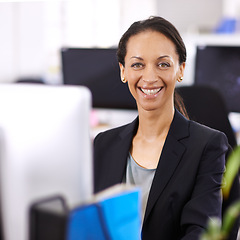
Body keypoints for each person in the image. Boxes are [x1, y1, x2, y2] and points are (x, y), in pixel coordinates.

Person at [94, 16, 230, 239]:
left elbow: (200, 233)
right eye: (137, 64)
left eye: (163, 64)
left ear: (180, 69)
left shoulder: (207, 146)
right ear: (123, 71)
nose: (149, 77)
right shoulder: (103, 144)